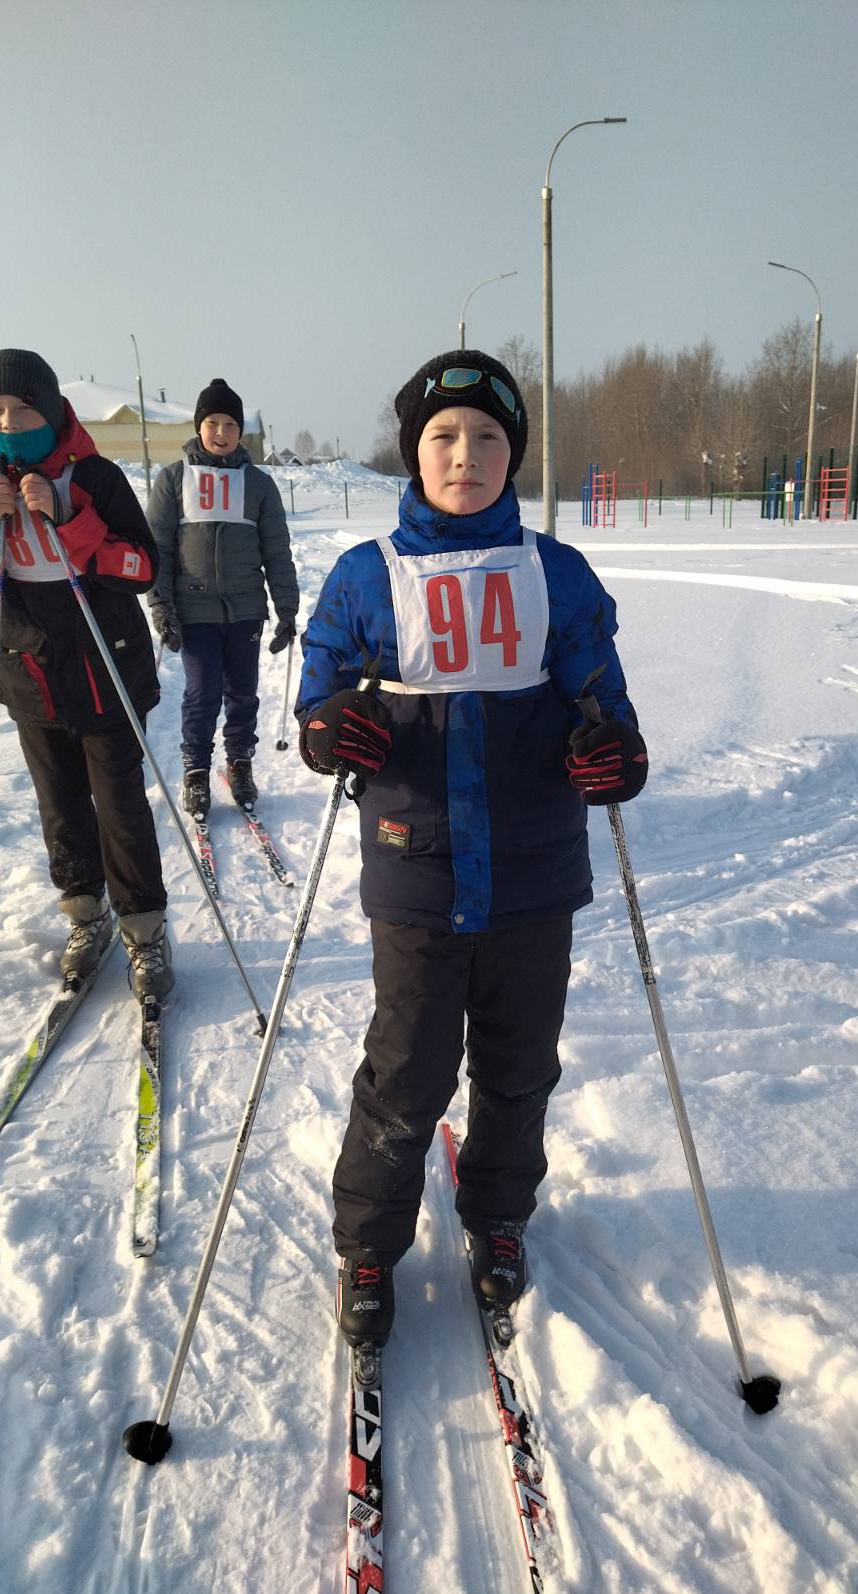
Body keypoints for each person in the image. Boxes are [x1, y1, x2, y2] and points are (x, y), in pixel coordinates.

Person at [295, 350, 648, 1350]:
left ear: (514, 456)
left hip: (535, 871)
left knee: (519, 1066)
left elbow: (604, 702)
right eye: (444, 436)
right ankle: (369, 1245)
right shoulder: (370, 575)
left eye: (489, 437)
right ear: (415, 451)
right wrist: (332, 729)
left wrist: (614, 752)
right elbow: (320, 693)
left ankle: (498, 1216)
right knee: (406, 1074)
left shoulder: (556, 573)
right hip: (417, 866)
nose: (466, 454)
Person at [0, 348, 173, 1003]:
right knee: (62, 812)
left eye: (24, 408)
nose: (10, 423)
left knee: (121, 811)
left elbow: (142, 569)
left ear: (53, 411)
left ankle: (145, 931)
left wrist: (71, 521)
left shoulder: (94, 477)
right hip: (31, 681)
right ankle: (85, 919)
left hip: (109, 676)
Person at [145, 379, 299, 819]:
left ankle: (240, 763)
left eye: (229, 423)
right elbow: (158, 547)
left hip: (246, 609)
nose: (220, 431)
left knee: (243, 694)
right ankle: (195, 769)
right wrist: (161, 605)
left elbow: (277, 550)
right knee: (201, 693)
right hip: (194, 611)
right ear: (199, 427)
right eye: (212, 422)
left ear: (239, 431)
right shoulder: (174, 479)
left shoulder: (259, 485)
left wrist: (286, 609)